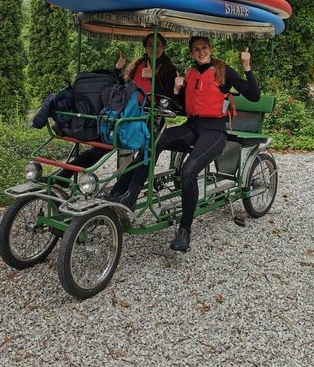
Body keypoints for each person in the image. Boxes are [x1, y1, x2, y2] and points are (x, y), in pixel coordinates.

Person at [107, 36, 260, 252]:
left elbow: (254, 96)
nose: (201, 52)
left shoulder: (222, 70)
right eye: (196, 49)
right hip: (192, 126)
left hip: (215, 131)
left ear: (211, 48)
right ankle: (129, 195)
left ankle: (184, 231)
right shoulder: (189, 73)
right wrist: (177, 90)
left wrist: (247, 67)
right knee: (155, 141)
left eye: (204, 48)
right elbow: (178, 108)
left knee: (188, 171)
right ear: (191, 53)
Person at [59, 33, 177, 178]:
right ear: (145, 48)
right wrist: (117, 69)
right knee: (100, 144)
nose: (154, 48)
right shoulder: (139, 64)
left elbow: (167, 98)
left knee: (140, 151)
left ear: (163, 47)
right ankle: (65, 175)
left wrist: (152, 78)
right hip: (127, 112)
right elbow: (120, 85)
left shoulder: (168, 69)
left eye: (157, 44)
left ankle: (127, 186)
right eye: (150, 45)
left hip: (149, 116)